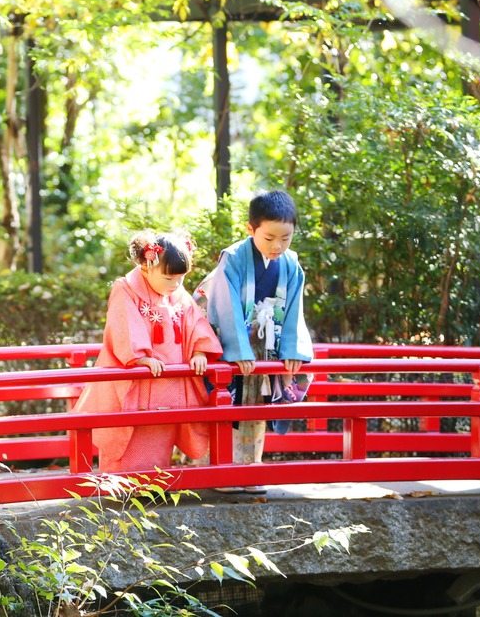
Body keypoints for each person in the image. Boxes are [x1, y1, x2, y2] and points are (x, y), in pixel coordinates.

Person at [73, 229, 223, 473]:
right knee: (129, 436)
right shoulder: (126, 289)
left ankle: (154, 487)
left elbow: (195, 323)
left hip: (168, 384)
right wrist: (140, 356)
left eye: (180, 278)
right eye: (169, 278)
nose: (175, 285)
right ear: (146, 267)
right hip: (137, 381)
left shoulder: (177, 293)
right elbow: (123, 324)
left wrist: (199, 352)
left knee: (160, 436)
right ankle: (121, 487)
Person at [194, 190, 313, 492]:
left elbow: (295, 308)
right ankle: (220, 469)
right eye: (269, 237)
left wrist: (291, 349)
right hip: (230, 345)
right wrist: (238, 350)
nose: (278, 246)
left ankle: (251, 468)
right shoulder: (233, 258)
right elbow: (225, 304)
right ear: (251, 229)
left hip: (266, 345)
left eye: (285, 238)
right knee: (226, 403)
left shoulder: (291, 264)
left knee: (258, 404)